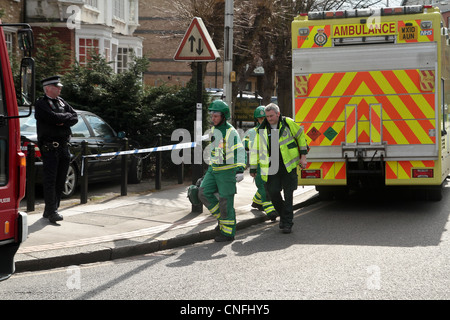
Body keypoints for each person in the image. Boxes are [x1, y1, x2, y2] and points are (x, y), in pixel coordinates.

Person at [250, 103, 308, 234]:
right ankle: (284, 215)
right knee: (273, 192)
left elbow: (300, 136)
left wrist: (303, 157)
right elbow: (255, 150)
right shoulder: (262, 129)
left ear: (278, 114)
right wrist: (253, 168)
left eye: (271, 116)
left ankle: (287, 223)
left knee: (288, 195)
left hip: (288, 166)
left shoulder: (287, 123)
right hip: (271, 167)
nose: (269, 119)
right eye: (267, 116)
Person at [198, 100, 246, 242]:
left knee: (225, 202)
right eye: (212, 115)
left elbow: (240, 151)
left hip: (227, 172)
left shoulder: (231, 132)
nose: (213, 118)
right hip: (214, 169)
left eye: (216, 116)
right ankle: (223, 219)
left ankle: (228, 233)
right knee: (202, 192)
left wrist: (240, 169)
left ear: (224, 116)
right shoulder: (214, 129)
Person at [35, 76, 78, 223]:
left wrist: (62, 120)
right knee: (50, 180)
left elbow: (75, 117)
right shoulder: (41, 104)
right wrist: (64, 119)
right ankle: (52, 211)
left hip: (64, 147)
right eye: (56, 87)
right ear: (48, 88)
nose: (60, 89)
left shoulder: (62, 101)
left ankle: (51, 209)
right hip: (50, 148)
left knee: (61, 180)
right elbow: (52, 117)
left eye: (59, 87)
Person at [243, 106, 277, 221]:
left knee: (269, 186)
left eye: (264, 118)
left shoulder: (273, 130)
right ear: (256, 119)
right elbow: (245, 144)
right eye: (260, 118)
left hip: (273, 164)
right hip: (259, 166)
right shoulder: (253, 132)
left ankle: (256, 202)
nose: (263, 120)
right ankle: (270, 210)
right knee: (263, 187)